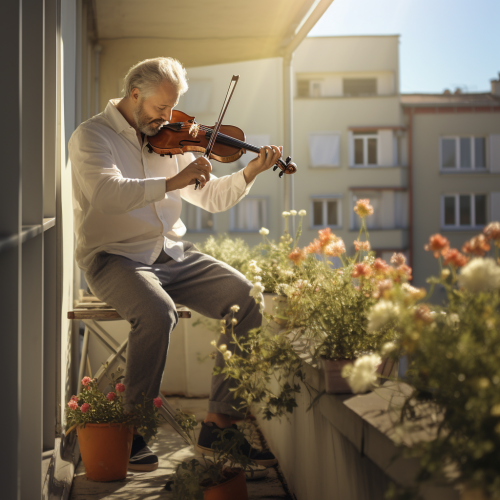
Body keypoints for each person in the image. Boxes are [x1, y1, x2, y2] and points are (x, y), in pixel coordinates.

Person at [69, 57, 279, 472]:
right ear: (134, 95)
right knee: (157, 312)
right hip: (115, 258)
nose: (168, 119)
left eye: (172, 108)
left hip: (170, 254)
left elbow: (211, 197)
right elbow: (108, 194)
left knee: (246, 298)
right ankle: (134, 430)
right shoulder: (92, 136)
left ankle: (220, 424)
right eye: (160, 109)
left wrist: (249, 172)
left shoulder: (169, 138)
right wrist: (170, 183)